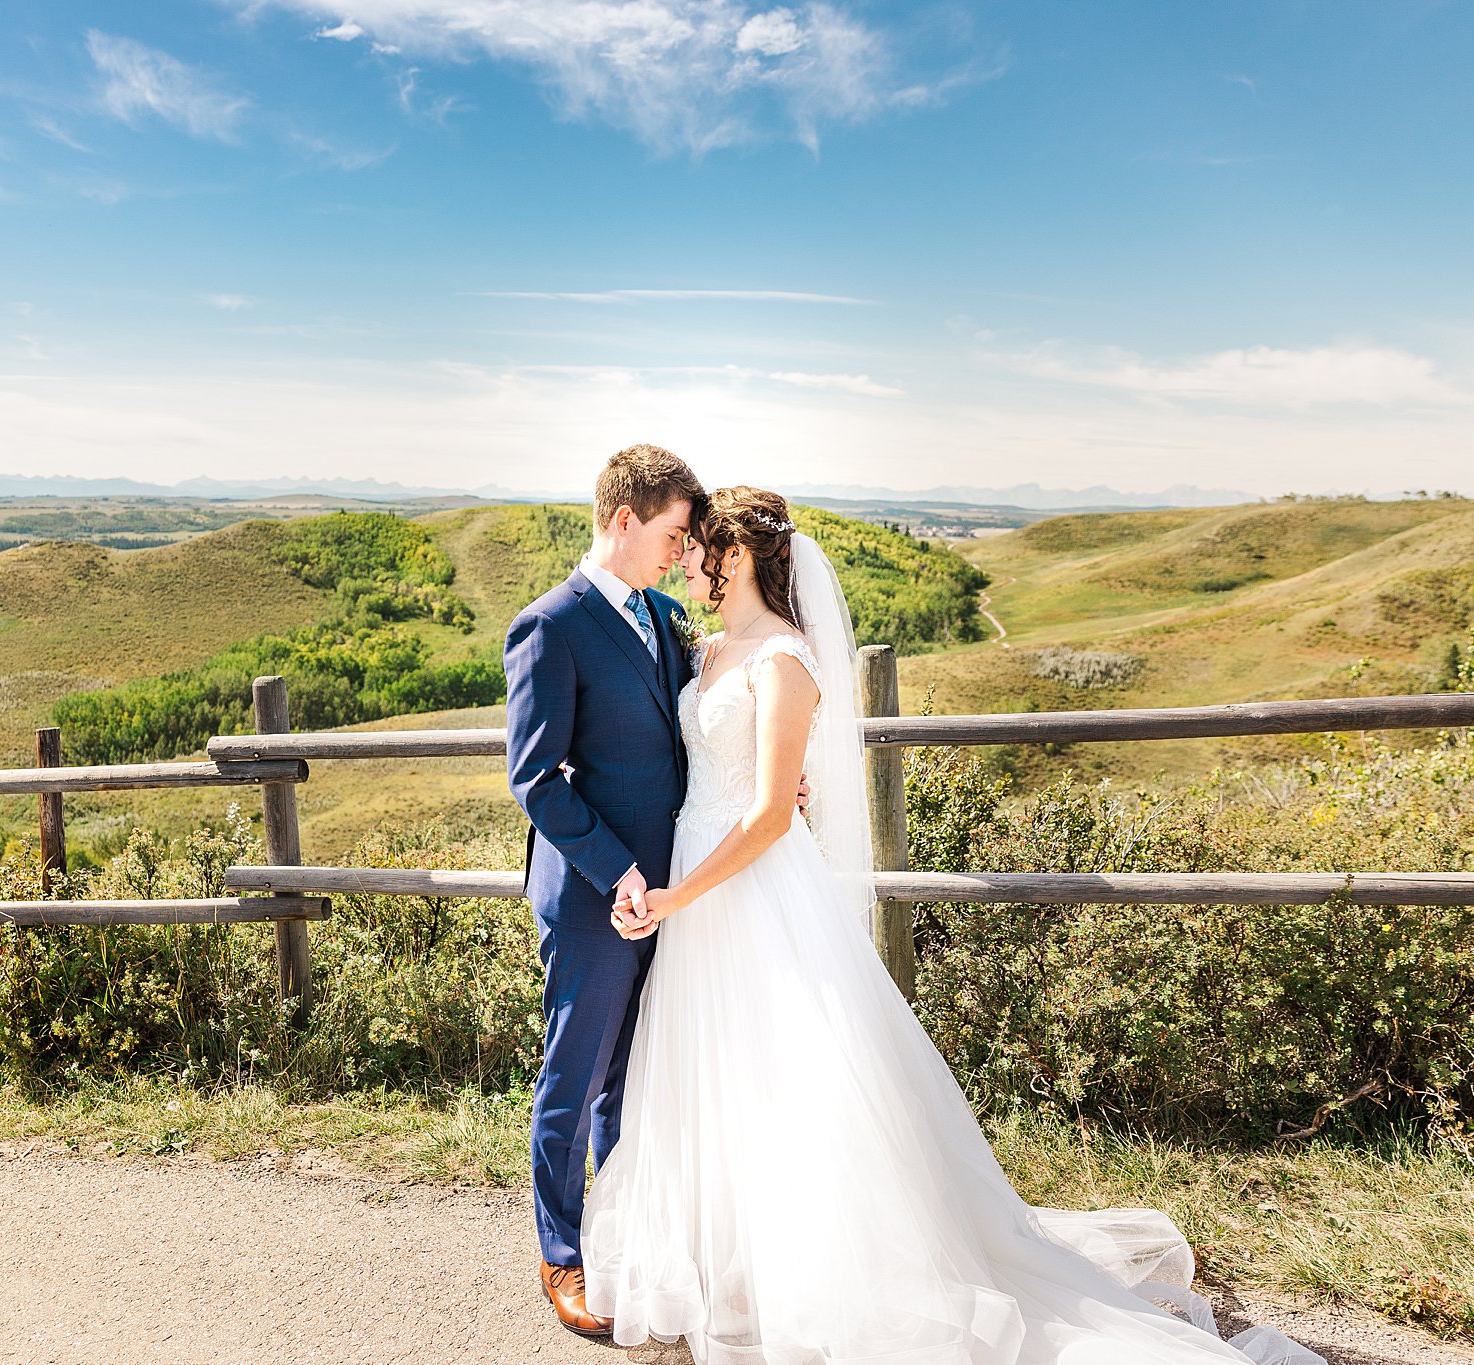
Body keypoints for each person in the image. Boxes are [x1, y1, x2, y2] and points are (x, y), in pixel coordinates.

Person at [579, 485, 1324, 1365]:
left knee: (790, 1076)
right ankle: (727, 1256)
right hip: (699, 887)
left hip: (743, 887)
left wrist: (675, 895)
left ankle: (818, 1267)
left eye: (702, 545)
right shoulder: (706, 649)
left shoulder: (784, 659)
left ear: (737, 556)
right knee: (721, 1066)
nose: (691, 559)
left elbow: (774, 812)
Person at [503, 442, 704, 1336]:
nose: (679, 550)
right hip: (594, 894)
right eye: (671, 532)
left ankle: (620, 1241)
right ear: (624, 519)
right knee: (576, 1075)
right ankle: (563, 1254)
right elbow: (537, 777)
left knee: (634, 1079)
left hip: (670, 895)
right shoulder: (550, 624)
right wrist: (619, 870)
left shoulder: (663, 620)